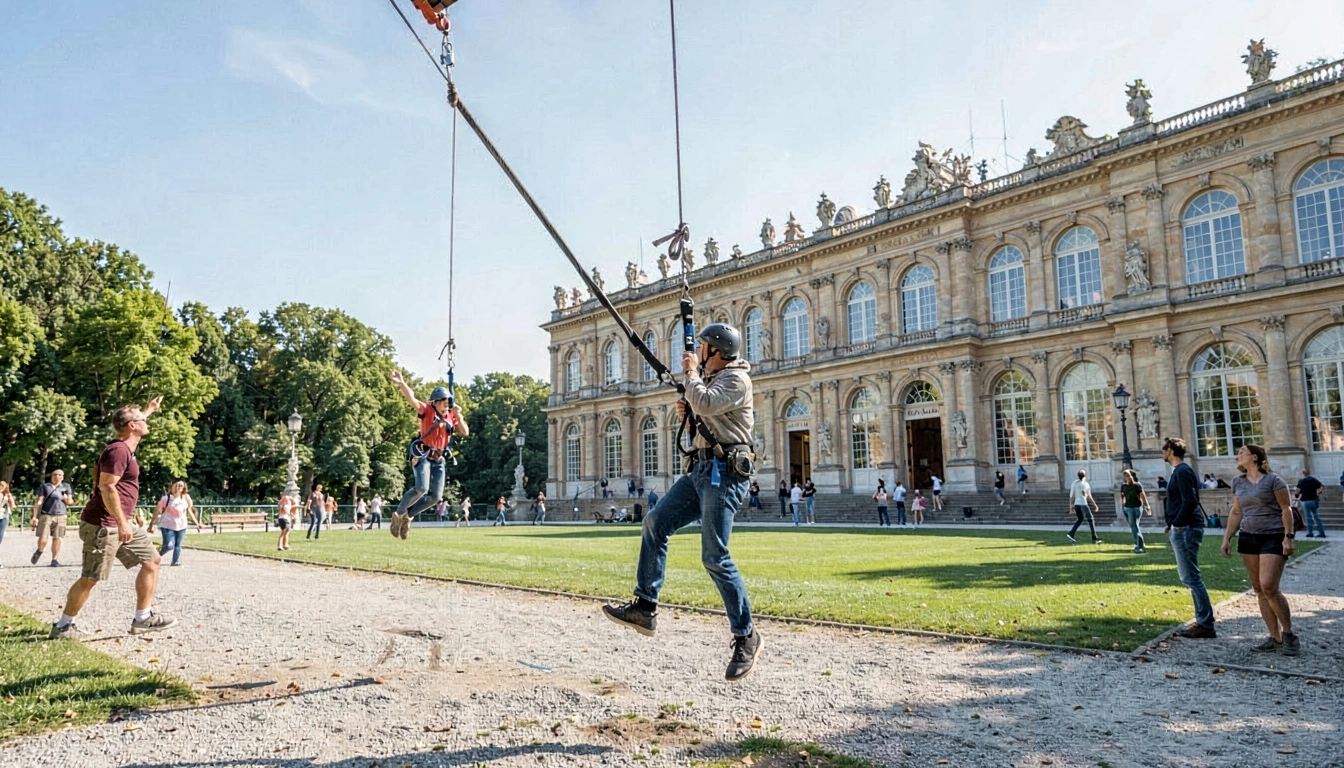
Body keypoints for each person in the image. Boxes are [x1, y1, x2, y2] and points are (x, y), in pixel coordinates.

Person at [602, 321, 763, 681]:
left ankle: (746, 635)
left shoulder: (736, 380)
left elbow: (705, 401)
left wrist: (691, 378)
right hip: (702, 470)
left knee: (715, 556)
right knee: (656, 522)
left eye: (702, 347)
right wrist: (688, 419)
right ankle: (646, 606)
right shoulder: (714, 381)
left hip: (725, 474)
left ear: (716, 352)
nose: (697, 353)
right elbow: (702, 423)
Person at [50, 396, 177, 640]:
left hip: (119, 522)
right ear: (132, 426)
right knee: (91, 578)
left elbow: (134, 425)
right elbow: (107, 487)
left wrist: (149, 409)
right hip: (104, 525)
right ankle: (64, 626)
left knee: (152, 561)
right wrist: (121, 522)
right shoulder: (117, 451)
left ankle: (143, 618)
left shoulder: (124, 446)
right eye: (142, 419)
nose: (145, 422)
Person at [1221, 444, 1299, 656]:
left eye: (1242, 452)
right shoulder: (1238, 482)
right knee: (1258, 588)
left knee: (1269, 586)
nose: (1238, 455)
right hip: (1248, 537)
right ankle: (1275, 638)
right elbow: (1237, 512)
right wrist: (1227, 537)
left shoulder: (1273, 480)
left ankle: (1289, 634)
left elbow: (1286, 509)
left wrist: (1288, 537)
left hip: (1273, 536)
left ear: (1255, 457)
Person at [388, 369, 469, 541]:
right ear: (436, 402)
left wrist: (458, 416)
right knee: (421, 488)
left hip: (439, 459)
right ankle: (399, 514)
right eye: (444, 402)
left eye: (448, 402)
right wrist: (402, 382)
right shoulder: (427, 411)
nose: (446, 404)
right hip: (423, 454)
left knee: (436, 497)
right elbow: (412, 399)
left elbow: (465, 432)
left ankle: (408, 517)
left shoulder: (450, 417)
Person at [1163, 436, 1216, 639]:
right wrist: (1172, 523)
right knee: (1190, 576)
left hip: (1186, 528)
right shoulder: (1180, 471)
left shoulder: (1183, 471)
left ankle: (1205, 623)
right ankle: (1203, 621)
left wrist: (1176, 524)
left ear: (1170, 450)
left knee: (1191, 577)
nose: (1162, 451)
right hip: (1183, 527)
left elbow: (1190, 500)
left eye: (1164, 448)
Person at [31, 469, 74, 567]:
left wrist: (66, 499)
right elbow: (39, 500)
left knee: (57, 538)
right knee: (43, 537)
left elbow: (70, 502)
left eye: (59, 475)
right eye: (55, 474)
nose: (57, 476)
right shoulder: (45, 486)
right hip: (46, 514)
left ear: (62, 476)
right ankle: (40, 550)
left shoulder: (66, 487)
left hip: (61, 515)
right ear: (51, 476)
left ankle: (54, 560)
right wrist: (35, 515)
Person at [156, 481, 202, 567]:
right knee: (169, 545)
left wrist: (197, 523)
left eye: (181, 486)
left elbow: (190, 511)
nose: (179, 487)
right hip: (167, 525)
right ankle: (155, 556)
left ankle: (175, 561)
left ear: (184, 488)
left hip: (181, 525)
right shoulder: (167, 498)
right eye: (177, 485)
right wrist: (151, 525)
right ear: (173, 486)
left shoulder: (186, 497)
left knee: (178, 544)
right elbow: (157, 510)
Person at [1119, 469, 1153, 554]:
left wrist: (1147, 506)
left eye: (1126, 475)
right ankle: (1139, 545)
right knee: (1134, 527)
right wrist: (1123, 507)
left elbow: (1143, 496)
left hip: (1134, 508)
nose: (1125, 477)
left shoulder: (1136, 485)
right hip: (1129, 508)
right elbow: (1123, 497)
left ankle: (1139, 546)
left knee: (1135, 527)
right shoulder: (1124, 486)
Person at [1065, 470, 1101, 544]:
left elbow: (1071, 496)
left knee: (1080, 519)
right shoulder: (1086, 484)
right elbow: (1089, 497)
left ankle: (1071, 533)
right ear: (1085, 476)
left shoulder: (1074, 484)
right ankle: (1094, 537)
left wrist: (1071, 506)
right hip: (1083, 504)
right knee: (1091, 520)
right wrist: (1095, 505)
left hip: (1076, 504)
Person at [1296, 468, 1326, 538]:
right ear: (1309, 472)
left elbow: (1297, 491)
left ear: (1303, 473)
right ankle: (1322, 532)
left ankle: (1310, 532)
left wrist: (1297, 496)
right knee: (1317, 517)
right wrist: (1317, 493)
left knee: (1308, 517)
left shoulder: (1301, 481)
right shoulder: (1314, 480)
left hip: (1306, 501)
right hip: (1314, 500)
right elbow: (1322, 487)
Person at [0, 481, 15, 567]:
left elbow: (13, 506)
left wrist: (10, 498)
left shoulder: (7, 495)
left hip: (3, 518)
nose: (0, 486)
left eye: (2, 485)